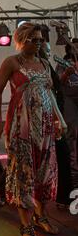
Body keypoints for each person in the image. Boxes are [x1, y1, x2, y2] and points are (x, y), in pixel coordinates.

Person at [0, 23, 66, 236]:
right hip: (20, 128)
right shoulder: (12, 62)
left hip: (44, 128)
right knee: (24, 174)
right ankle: (26, 226)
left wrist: (58, 119)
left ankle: (41, 216)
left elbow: (49, 95)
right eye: (34, 39)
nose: (39, 43)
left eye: (41, 40)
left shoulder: (44, 63)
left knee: (45, 172)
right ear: (22, 39)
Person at [39, 41, 73, 208]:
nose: (48, 52)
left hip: (54, 115)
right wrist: (58, 118)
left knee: (57, 156)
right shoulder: (40, 67)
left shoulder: (46, 65)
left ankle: (63, 198)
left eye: (49, 49)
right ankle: (64, 198)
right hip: (48, 118)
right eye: (46, 49)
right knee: (59, 155)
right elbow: (49, 93)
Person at [56, 41, 78, 186]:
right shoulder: (63, 63)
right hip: (69, 100)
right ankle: (74, 176)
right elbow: (58, 83)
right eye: (75, 46)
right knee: (72, 135)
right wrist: (67, 73)